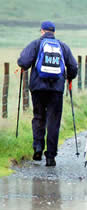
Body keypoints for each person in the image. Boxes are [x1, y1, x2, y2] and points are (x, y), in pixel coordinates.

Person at [17, 20, 78, 167]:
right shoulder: (62, 46)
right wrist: (69, 77)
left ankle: (38, 147)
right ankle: (50, 156)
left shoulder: (36, 44)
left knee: (38, 117)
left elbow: (23, 62)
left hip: (38, 88)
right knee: (53, 121)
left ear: (42, 31)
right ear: (54, 32)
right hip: (56, 89)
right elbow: (73, 67)